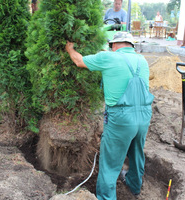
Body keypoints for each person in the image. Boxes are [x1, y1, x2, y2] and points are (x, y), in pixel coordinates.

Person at [65, 32, 154, 199]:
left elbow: (79, 61)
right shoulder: (142, 60)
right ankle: (134, 186)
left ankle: (106, 197)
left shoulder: (107, 57)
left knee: (110, 163)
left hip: (121, 118)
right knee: (136, 152)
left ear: (114, 45)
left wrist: (69, 48)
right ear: (131, 45)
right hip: (144, 116)